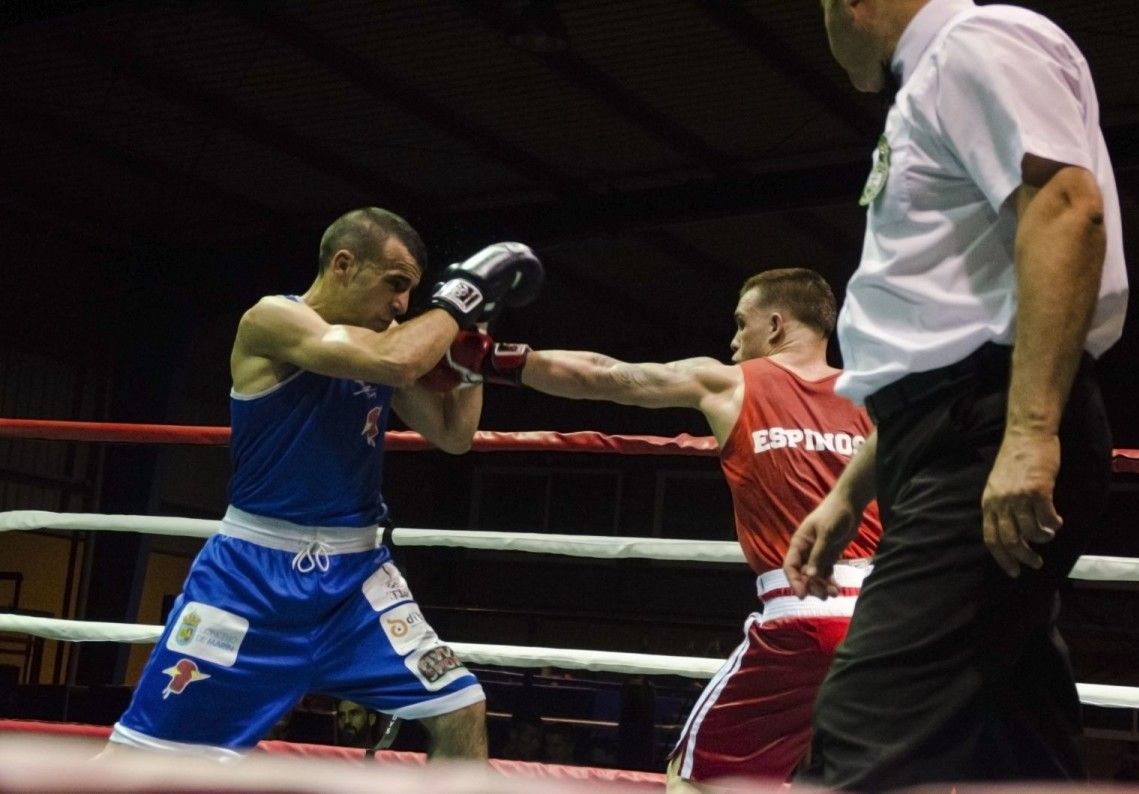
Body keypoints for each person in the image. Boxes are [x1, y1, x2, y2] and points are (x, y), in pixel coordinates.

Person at [784, 1, 1128, 789]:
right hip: (957, 431)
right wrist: (847, 497)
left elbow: (1066, 209)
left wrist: (1031, 431)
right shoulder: (938, 78)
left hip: (986, 435)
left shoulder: (977, 43)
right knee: (1012, 739)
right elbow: (943, 329)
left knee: (864, 735)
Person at [101, 207, 542, 760]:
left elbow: (454, 434)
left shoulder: (385, 344)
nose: (403, 305)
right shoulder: (271, 320)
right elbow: (398, 363)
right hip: (251, 578)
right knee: (140, 762)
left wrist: (474, 350)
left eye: (411, 293)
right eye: (396, 285)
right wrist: (463, 294)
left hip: (356, 580)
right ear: (343, 264)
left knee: (460, 707)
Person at [426, 268, 881, 789]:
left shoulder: (730, 381)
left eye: (740, 325)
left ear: (775, 325)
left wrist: (492, 358)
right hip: (884, 619)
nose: (733, 344)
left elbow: (609, 375)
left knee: (694, 779)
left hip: (799, 618)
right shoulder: (875, 400)